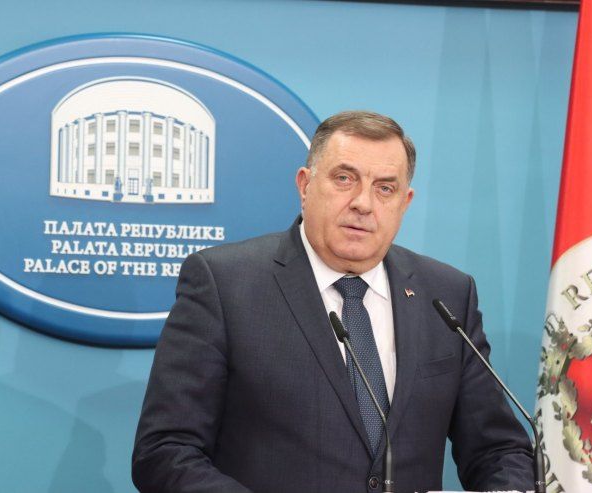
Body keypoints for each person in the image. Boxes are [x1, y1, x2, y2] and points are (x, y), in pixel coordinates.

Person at [132, 111, 534, 493]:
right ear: (305, 185)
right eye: (345, 179)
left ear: (405, 202)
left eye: (385, 188)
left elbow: (498, 450)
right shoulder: (225, 284)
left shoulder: (446, 295)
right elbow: (166, 450)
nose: (363, 203)